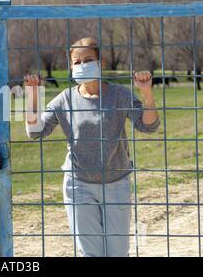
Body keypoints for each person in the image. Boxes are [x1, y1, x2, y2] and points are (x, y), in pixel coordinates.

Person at [24, 37, 160, 257]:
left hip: (116, 184)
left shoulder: (119, 94)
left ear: (100, 62)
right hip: (78, 186)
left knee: (117, 253)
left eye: (88, 60)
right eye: (76, 62)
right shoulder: (64, 99)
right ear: (70, 67)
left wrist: (146, 92)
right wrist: (32, 96)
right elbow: (35, 131)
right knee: (90, 254)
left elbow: (149, 126)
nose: (82, 65)